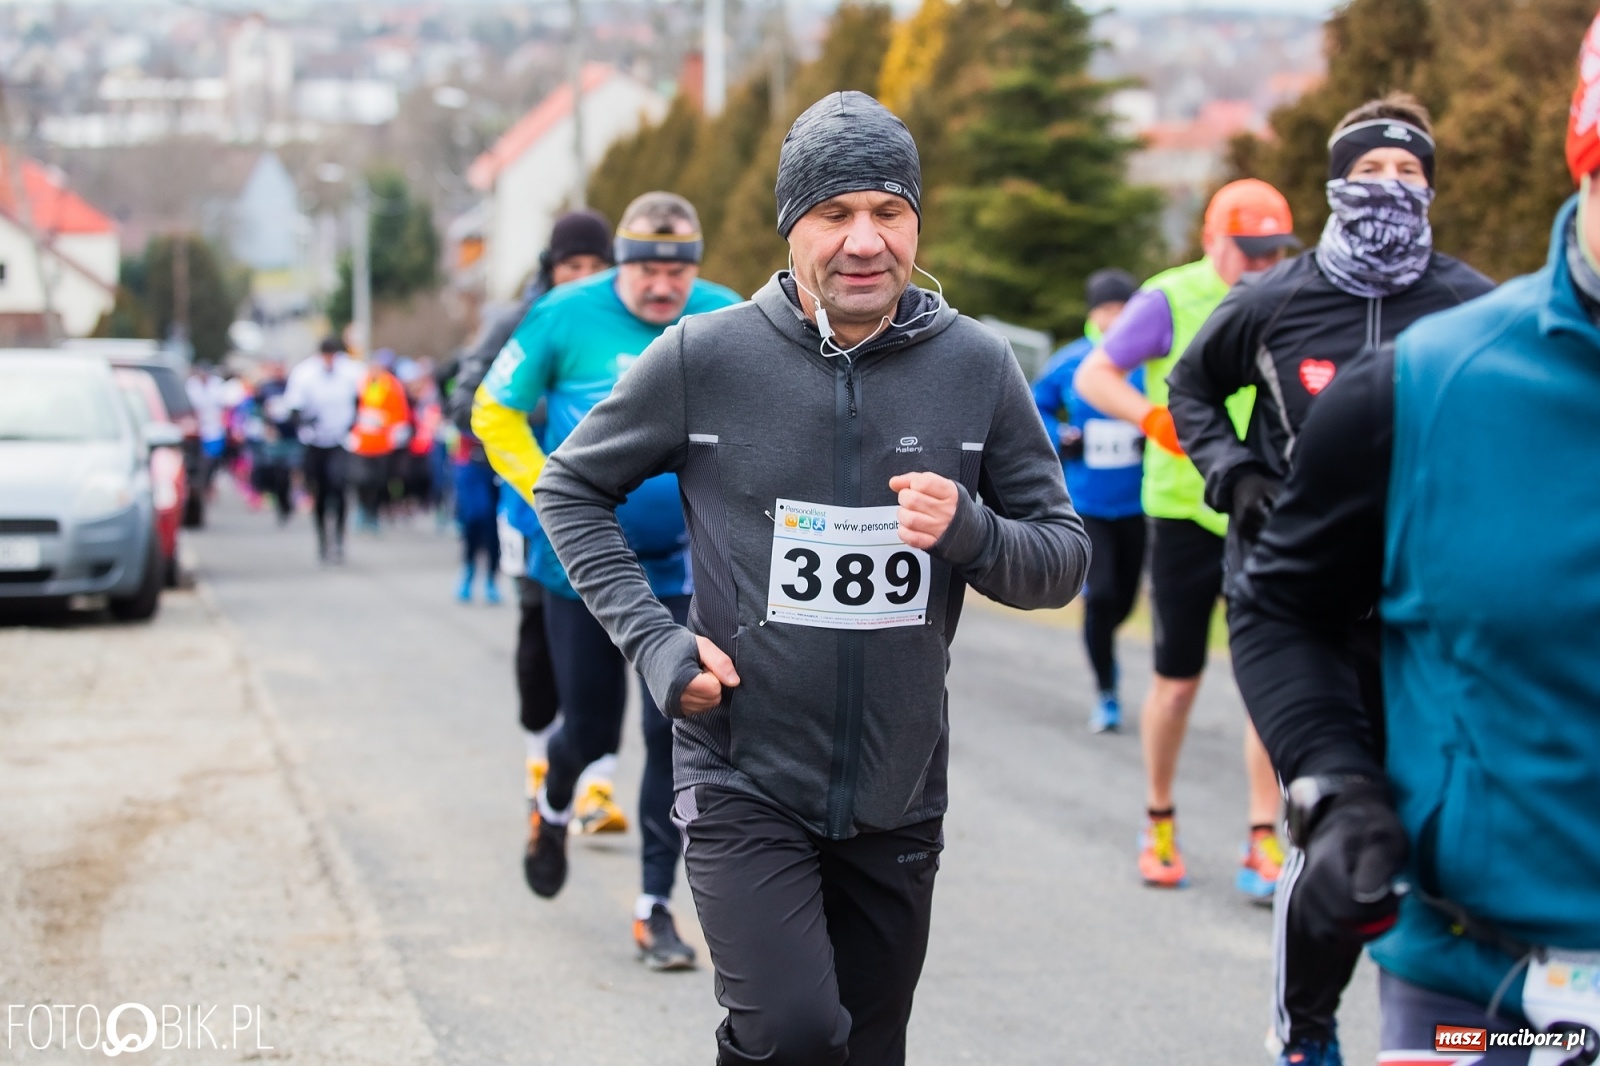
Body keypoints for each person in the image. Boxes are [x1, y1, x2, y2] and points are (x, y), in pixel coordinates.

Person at [534, 92, 1089, 1062]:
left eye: (887, 211)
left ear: (918, 222)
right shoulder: (706, 358)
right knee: (793, 1032)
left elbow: (1059, 559)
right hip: (742, 767)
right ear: (792, 228)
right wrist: (656, 642)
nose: (863, 241)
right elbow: (570, 488)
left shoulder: (975, 367)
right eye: (834, 214)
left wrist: (969, 530)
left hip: (897, 788)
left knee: (864, 1047)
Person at [1228, 22, 1600, 1057]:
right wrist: (1336, 783)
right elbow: (1277, 603)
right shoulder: (1430, 378)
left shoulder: (1455, 293)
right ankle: (1304, 1028)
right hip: (1479, 989)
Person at [1166, 94, 1494, 1066]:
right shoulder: (1273, 300)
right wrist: (1236, 474)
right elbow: (1190, 385)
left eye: (1408, 176)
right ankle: (1305, 1032)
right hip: (1292, 604)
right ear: (1333, 186)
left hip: (1420, 611)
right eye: (1371, 174)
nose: (1389, 192)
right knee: (1345, 833)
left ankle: (1454, 1035)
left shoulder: (1471, 304)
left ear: (1432, 189)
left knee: (1437, 832)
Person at [474, 193, 741, 971]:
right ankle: (553, 808)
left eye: (677, 273)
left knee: (676, 730)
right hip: (583, 566)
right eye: (648, 272)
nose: (664, 288)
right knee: (588, 731)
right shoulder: (564, 314)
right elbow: (494, 411)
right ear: (621, 264)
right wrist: (544, 493)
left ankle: (655, 907)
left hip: (689, 569)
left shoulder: (725, 319)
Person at [1073, 179, 1299, 900]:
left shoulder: (1296, 293)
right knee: (1178, 680)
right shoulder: (1170, 298)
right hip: (1183, 513)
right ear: (1211, 239)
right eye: (1248, 251)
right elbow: (1094, 373)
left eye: (1273, 252)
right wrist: (1153, 419)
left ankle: (1263, 835)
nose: (1261, 266)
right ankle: (1159, 819)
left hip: (1267, 513)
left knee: (1270, 679)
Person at [444, 209, 619, 831]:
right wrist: (559, 399)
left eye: (598, 268)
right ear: (549, 270)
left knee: (613, 635)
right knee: (541, 636)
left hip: (609, 503)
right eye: (573, 267)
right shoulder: (517, 323)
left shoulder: (624, 321)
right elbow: (469, 404)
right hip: (530, 504)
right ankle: (540, 761)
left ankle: (598, 786)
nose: (585, 279)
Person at [1032, 267, 1142, 733]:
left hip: (1139, 503)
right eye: (1106, 310)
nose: (1114, 319)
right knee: (1103, 596)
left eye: (1123, 309)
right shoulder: (1071, 362)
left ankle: (1104, 646)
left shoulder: (1148, 362)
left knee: (1127, 603)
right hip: (1088, 503)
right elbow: (1033, 406)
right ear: (1093, 313)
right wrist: (1063, 437)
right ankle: (1107, 692)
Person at [285, 337, 364, 562]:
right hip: (314, 442)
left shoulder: (351, 373)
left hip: (340, 440)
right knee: (318, 492)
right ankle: (322, 540)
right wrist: (307, 422)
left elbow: (361, 401)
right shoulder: (304, 374)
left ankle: (339, 539)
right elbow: (294, 409)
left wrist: (351, 425)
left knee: (339, 487)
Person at [347, 347, 411, 531]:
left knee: (379, 481)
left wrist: (386, 424)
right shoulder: (360, 383)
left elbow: (400, 413)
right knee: (361, 479)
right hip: (362, 442)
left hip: (383, 442)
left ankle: (373, 514)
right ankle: (362, 509)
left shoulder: (392, 386)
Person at [452, 426, 501, 603]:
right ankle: (468, 570)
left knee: (495, 525)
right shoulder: (466, 397)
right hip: (471, 463)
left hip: (499, 463)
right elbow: (459, 415)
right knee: (475, 518)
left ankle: (491, 577)